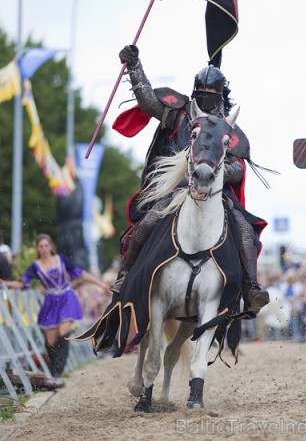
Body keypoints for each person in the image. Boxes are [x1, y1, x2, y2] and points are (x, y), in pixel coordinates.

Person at [111, 44, 270, 313]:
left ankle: (250, 287)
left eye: (211, 94)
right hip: (178, 190)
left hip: (215, 194)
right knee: (150, 220)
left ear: (220, 95)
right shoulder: (180, 113)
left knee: (243, 228)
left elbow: (239, 168)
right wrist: (135, 67)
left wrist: (216, 172)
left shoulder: (229, 129)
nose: (206, 98)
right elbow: (149, 101)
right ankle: (126, 275)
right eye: (202, 93)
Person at [0, 233, 110, 383]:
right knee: (50, 341)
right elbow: (23, 281)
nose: (44, 249)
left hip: (67, 298)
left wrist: (100, 284)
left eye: (46, 245)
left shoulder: (61, 260)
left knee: (63, 331)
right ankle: (54, 369)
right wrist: (9, 284)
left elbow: (81, 274)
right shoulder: (35, 265)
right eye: (41, 246)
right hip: (51, 301)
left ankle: (58, 371)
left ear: (51, 246)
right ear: (37, 249)